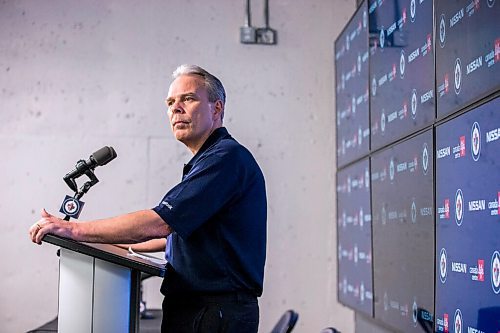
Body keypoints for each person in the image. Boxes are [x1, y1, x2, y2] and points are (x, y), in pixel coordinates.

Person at [29, 64, 267, 333]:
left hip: (213, 314)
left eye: (188, 99)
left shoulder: (224, 159)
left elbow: (160, 222)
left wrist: (72, 229)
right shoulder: (210, 160)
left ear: (217, 108)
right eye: (170, 102)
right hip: (204, 310)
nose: (176, 108)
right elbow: (174, 236)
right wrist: (105, 242)